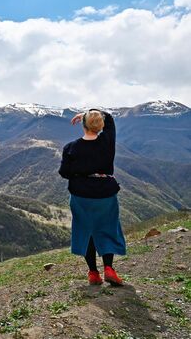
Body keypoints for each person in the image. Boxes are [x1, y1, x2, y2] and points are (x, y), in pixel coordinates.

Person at [58, 109, 125, 286]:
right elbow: (110, 119)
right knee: (107, 228)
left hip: (81, 195)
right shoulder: (107, 141)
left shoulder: (71, 148)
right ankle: (109, 269)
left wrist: (80, 173)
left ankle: (93, 273)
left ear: (83, 125)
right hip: (106, 194)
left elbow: (64, 173)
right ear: (101, 125)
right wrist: (89, 112)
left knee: (86, 230)